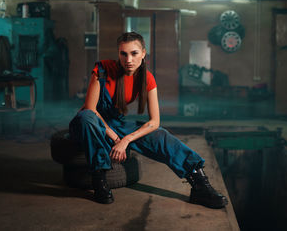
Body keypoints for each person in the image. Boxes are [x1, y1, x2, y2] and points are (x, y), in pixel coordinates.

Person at [69, 32, 228, 209]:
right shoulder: (102, 70)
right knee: (86, 118)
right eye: (123, 53)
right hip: (88, 125)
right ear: (118, 54)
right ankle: (99, 179)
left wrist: (126, 139)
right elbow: (90, 109)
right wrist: (116, 139)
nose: (128, 59)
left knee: (160, 135)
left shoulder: (147, 78)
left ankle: (200, 185)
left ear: (143, 53)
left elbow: (154, 122)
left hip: (115, 123)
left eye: (134, 53)